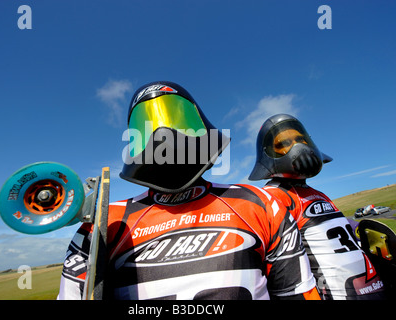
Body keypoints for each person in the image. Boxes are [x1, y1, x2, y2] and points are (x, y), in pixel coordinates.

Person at [58, 82, 319, 300]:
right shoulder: (103, 226)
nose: (164, 134)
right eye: (148, 128)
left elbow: (296, 292)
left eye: (179, 122)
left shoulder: (260, 203)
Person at [248, 113, 385, 300]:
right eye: (283, 144)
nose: (297, 147)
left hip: (374, 287)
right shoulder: (273, 197)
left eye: (300, 139)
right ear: (268, 154)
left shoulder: (319, 194)